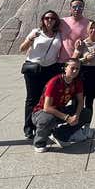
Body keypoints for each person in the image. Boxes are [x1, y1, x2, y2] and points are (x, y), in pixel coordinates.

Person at [19, 10, 62, 140]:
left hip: (51, 69)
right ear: (43, 19)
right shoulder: (36, 32)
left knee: (47, 98)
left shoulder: (59, 34)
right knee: (32, 98)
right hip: (34, 68)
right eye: (47, 18)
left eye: (53, 18)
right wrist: (30, 40)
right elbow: (22, 48)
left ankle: (43, 125)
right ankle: (28, 127)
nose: (50, 20)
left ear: (56, 21)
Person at [31, 58, 91, 152]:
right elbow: (47, 107)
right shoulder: (55, 82)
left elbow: (80, 101)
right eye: (72, 68)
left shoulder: (77, 82)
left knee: (86, 113)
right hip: (41, 112)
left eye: (77, 69)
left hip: (60, 110)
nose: (75, 71)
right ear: (65, 68)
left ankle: (60, 134)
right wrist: (67, 118)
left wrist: (76, 116)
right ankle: (39, 142)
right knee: (47, 119)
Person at [73, 19, 95, 136]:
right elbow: (74, 60)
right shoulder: (82, 43)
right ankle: (76, 125)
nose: (93, 30)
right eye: (91, 28)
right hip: (84, 73)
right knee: (79, 100)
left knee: (90, 102)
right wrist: (84, 59)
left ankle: (87, 126)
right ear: (87, 30)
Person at [59, 0, 90, 67]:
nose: (77, 9)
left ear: (83, 8)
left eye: (80, 7)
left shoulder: (88, 23)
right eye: (74, 7)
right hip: (60, 61)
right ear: (70, 8)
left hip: (78, 62)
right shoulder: (62, 22)